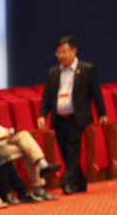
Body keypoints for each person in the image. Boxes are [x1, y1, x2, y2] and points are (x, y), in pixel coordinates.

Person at [0, 85, 60, 201]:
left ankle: (40, 168)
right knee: (28, 151)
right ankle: (40, 180)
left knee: (24, 136)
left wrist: (6, 131)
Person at [38, 35, 108, 195]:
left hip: (78, 117)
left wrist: (102, 113)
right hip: (59, 117)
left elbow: (96, 92)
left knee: (73, 150)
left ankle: (67, 184)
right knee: (64, 151)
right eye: (58, 53)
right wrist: (43, 115)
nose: (61, 56)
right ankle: (80, 182)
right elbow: (47, 95)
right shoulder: (53, 72)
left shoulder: (87, 69)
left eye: (64, 52)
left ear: (74, 51)